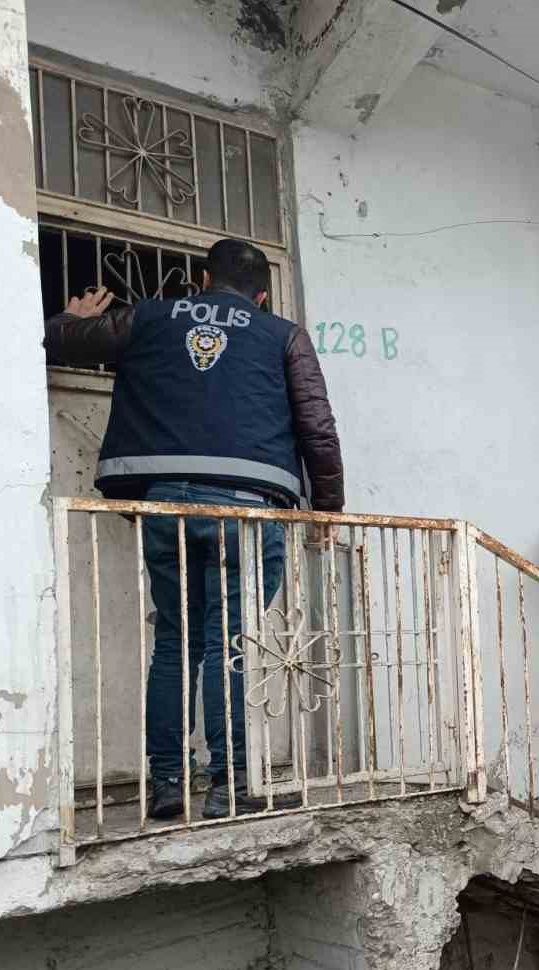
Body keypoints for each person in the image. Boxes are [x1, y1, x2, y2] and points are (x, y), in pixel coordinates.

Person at [43, 238, 344, 820]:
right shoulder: (281, 334)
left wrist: (69, 318)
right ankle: (226, 788)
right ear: (260, 294)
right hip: (245, 510)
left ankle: (164, 786)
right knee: (226, 644)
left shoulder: (149, 316)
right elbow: (318, 426)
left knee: (175, 647)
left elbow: (59, 340)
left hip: (165, 507)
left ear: (203, 280)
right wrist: (325, 512)